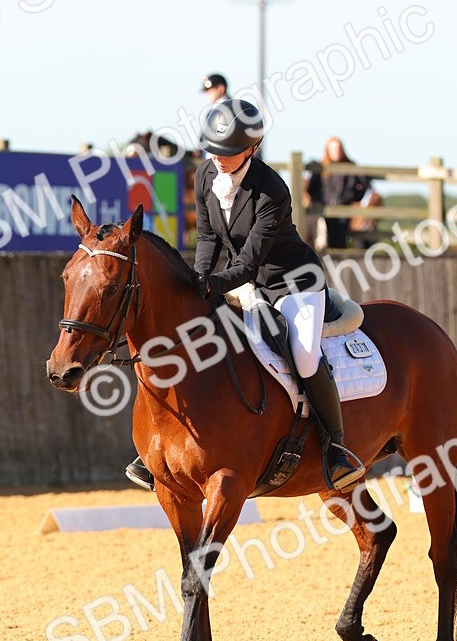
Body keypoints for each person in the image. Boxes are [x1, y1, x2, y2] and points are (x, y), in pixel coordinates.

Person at [125, 99, 365, 493]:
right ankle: (161, 448)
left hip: (292, 283)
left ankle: (336, 448)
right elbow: (206, 238)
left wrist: (211, 285)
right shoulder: (205, 175)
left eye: (229, 151)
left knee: (304, 355)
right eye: (214, 149)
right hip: (242, 281)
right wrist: (196, 280)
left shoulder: (272, 190)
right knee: (194, 331)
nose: (219, 158)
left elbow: (252, 262)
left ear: (251, 148)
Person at [304, 137, 368, 249]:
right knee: (322, 239)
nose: (336, 151)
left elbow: (363, 185)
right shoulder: (320, 167)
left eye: (338, 148)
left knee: (339, 241)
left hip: (342, 208)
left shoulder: (350, 167)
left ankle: (337, 265)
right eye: (333, 149)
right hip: (323, 210)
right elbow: (310, 187)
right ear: (328, 151)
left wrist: (353, 197)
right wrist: (318, 201)